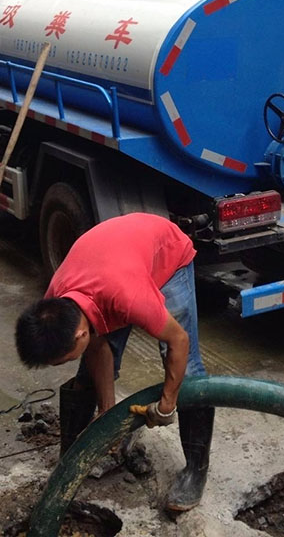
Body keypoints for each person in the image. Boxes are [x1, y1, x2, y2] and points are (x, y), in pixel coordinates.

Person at [15, 212, 214, 513]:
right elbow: (96, 348)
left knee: (189, 373)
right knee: (87, 375)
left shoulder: (130, 297)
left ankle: (195, 472)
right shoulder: (55, 304)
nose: (61, 364)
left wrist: (167, 403)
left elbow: (179, 341)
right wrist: (107, 412)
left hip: (165, 253)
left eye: (60, 360)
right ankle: (70, 464)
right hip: (113, 262)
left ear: (81, 333)